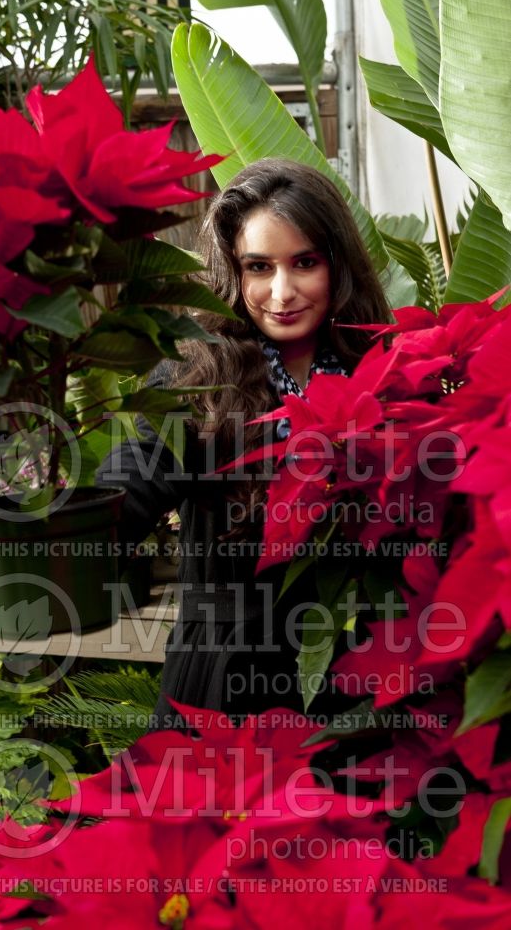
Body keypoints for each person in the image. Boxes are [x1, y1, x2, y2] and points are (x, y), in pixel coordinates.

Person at [97, 158, 391, 728]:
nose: (282, 292)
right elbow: (140, 469)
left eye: (304, 263)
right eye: (259, 267)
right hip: (222, 689)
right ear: (234, 274)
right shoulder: (196, 377)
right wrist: (61, 526)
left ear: (338, 264)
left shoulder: (382, 368)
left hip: (353, 683)